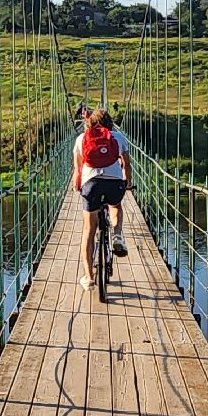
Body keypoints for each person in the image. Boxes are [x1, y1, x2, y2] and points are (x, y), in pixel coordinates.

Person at [70, 107, 132, 290]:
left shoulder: (81, 139)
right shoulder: (118, 138)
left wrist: (77, 186)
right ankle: (118, 236)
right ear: (110, 122)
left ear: (89, 122)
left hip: (91, 186)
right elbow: (126, 165)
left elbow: (78, 170)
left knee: (89, 228)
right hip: (114, 184)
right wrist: (127, 183)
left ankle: (89, 277)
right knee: (115, 205)